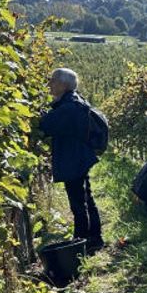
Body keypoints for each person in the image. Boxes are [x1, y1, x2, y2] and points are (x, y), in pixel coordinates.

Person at [38, 68, 104, 253]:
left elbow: (44, 126)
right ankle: (94, 238)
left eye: (53, 81)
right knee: (85, 198)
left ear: (63, 84)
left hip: (73, 159)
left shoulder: (68, 107)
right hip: (79, 157)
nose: (49, 85)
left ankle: (82, 241)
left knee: (78, 201)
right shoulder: (74, 102)